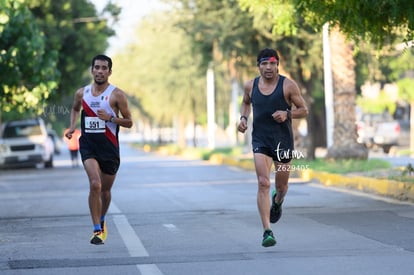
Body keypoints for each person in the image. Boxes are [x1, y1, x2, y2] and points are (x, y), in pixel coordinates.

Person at [237, 48, 308, 247]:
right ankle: (267, 231)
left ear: (277, 65)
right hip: (260, 140)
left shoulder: (288, 86)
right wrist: (243, 118)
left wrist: (288, 114)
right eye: (264, 64)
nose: (268, 67)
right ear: (258, 66)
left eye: (272, 63)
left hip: (282, 141)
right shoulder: (250, 85)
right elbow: (245, 103)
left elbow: (304, 110)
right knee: (263, 183)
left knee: (281, 186)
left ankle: (278, 201)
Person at [65, 54, 133, 245]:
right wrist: (72, 126)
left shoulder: (116, 94)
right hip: (88, 145)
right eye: (97, 67)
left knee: (105, 191)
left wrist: (110, 119)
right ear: (92, 70)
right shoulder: (82, 93)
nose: (100, 71)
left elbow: (129, 122)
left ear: (109, 72)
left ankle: (102, 220)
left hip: (109, 148)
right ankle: (96, 230)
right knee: (95, 184)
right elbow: (75, 109)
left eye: (104, 68)